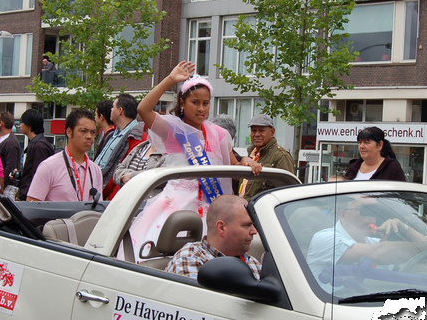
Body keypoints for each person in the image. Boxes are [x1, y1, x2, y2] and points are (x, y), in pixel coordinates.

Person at [131, 61, 259, 255]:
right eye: (195, 102)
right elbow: (143, 110)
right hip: (177, 209)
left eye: (205, 103)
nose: (201, 108)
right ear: (182, 103)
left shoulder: (219, 134)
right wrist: (170, 80)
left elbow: (234, 167)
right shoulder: (172, 130)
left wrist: (246, 162)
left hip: (211, 209)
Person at [166, 195, 262, 279]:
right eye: (247, 225)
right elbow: (195, 294)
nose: (254, 231)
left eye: (253, 225)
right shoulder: (190, 258)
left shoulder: (253, 263)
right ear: (221, 228)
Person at [27, 109, 101, 202]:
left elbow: (99, 206)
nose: (89, 136)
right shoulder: (48, 167)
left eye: (93, 132)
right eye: (83, 131)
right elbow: (32, 205)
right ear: (69, 132)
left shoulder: (95, 170)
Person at [94, 93, 143, 199]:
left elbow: (125, 171)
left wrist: (110, 198)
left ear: (120, 111)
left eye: (113, 107)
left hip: (108, 196)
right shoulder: (116, 133)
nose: (111, 110)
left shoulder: (136, 138)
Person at [239, 114, 296, 200]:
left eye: (261, 131)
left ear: (272, 132)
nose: (257, 134)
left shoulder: (281, 156)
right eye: (253, 131)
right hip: (244, 206)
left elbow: (288, 192)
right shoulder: (251, 154)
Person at [17, 109, 55, 200]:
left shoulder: (39, 147)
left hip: (33, 199)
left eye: (21, 122)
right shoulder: (36, 144)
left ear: (29, 125)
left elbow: (39, 176)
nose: (20, 125)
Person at [0, 112, 22, 197]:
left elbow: (10, 166)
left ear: (1, 124)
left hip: (6, 188)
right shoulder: (4, 140)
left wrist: (1, 185)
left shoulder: (11, 142)